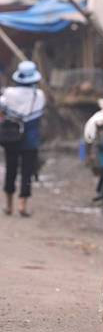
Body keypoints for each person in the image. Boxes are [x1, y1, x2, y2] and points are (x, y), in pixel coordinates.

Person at [0, 61, 46, 216]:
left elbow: (2, 108)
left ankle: (8, 205)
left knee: (11, 170)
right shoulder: (39, 95)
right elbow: (39, 113)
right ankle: (22, 205)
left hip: (11, 137)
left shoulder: (8, 93)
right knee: (27, 172)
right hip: (31, 139)